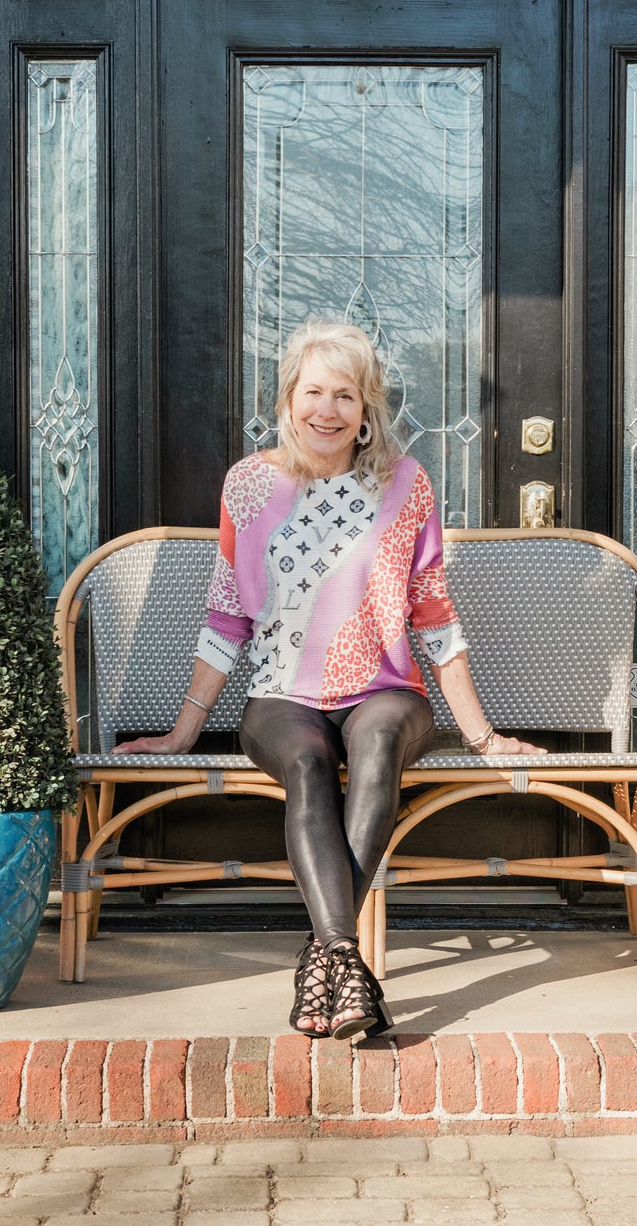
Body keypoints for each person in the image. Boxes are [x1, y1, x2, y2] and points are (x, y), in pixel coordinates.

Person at [112, 318, 540, 1041]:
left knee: (373, 751)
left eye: (346, 395)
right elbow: (227, 616)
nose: (328, 410)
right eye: (314, 392)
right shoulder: (248, 487)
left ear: (368, 410)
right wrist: (182, 731)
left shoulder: (407, 486)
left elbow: (433, 613)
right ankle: (341, 957)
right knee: (309, 765)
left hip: (388, 693)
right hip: (281, 696)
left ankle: (324, 962)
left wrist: (483, 733)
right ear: (288, 399)